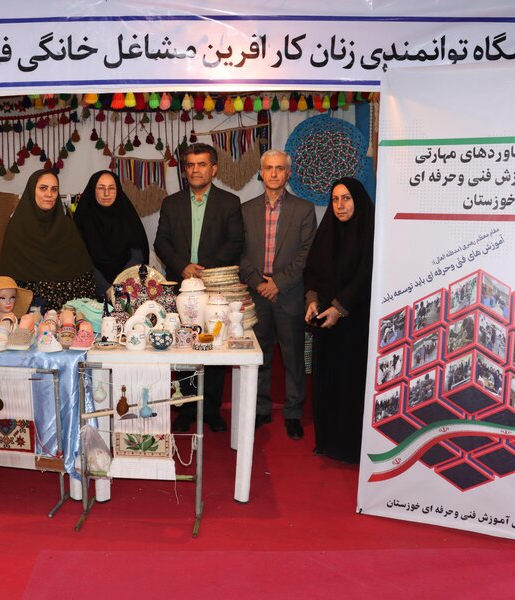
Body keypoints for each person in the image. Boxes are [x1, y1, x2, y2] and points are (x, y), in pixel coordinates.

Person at [154, 142, 244, 432]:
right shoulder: (171, 203)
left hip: (215, 287)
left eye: (202, 164)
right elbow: (161, 242)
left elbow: (235, 241)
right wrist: (183, 266)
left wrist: (203, 268)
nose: (195, 170)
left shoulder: (229, 202)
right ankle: (186, 409)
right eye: (190, 165)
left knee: (214, 346)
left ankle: (211, 410)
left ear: (213, 169)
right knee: (182, 347)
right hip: (180, 286)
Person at [239, 149, 318, 440]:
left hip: (289, 294)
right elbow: (238, 251)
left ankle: (293, 412)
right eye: (269, 168)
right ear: (261, 173)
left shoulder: (304, 209)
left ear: (288, 173)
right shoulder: (245, 210)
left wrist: (278, 284)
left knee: (293, 357)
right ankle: (260, 407)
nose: (274, 173)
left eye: (280, 168)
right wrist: (259, 283)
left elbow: (307, 253)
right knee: (258, 354)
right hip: (256, 293)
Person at [303, 177, 375, 463]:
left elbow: (366, 275)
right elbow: (312, 270)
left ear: (358, 201)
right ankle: (328, 442)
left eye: (346, 199)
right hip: (326, 326)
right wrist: (312, 301)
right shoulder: (327, 232)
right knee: (328, 382)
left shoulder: (370, 233)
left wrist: (339, 308)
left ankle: (350, 447)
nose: (340, 205)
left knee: (351, 385)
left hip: (356, 325)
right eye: (335, 199)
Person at [0, 169, 97, 311]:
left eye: (54, 189)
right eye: (43, 188)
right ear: (32, 191)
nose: (49, 194)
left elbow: (84, 276)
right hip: (28, 311)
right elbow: (7, 280)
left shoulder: (67, 226)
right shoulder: (17, 228)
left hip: (69, 311)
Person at [74, 170, 150, 299]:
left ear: (118, 190)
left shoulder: (128, 216)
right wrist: (106, 289)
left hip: (127, 291)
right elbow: (79, 258)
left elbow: (138, 253)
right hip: (91, 292)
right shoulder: (82, 220)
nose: (106, 193)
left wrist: (120, 285)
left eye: (111, 188)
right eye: (101, 188)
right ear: (93, 190)